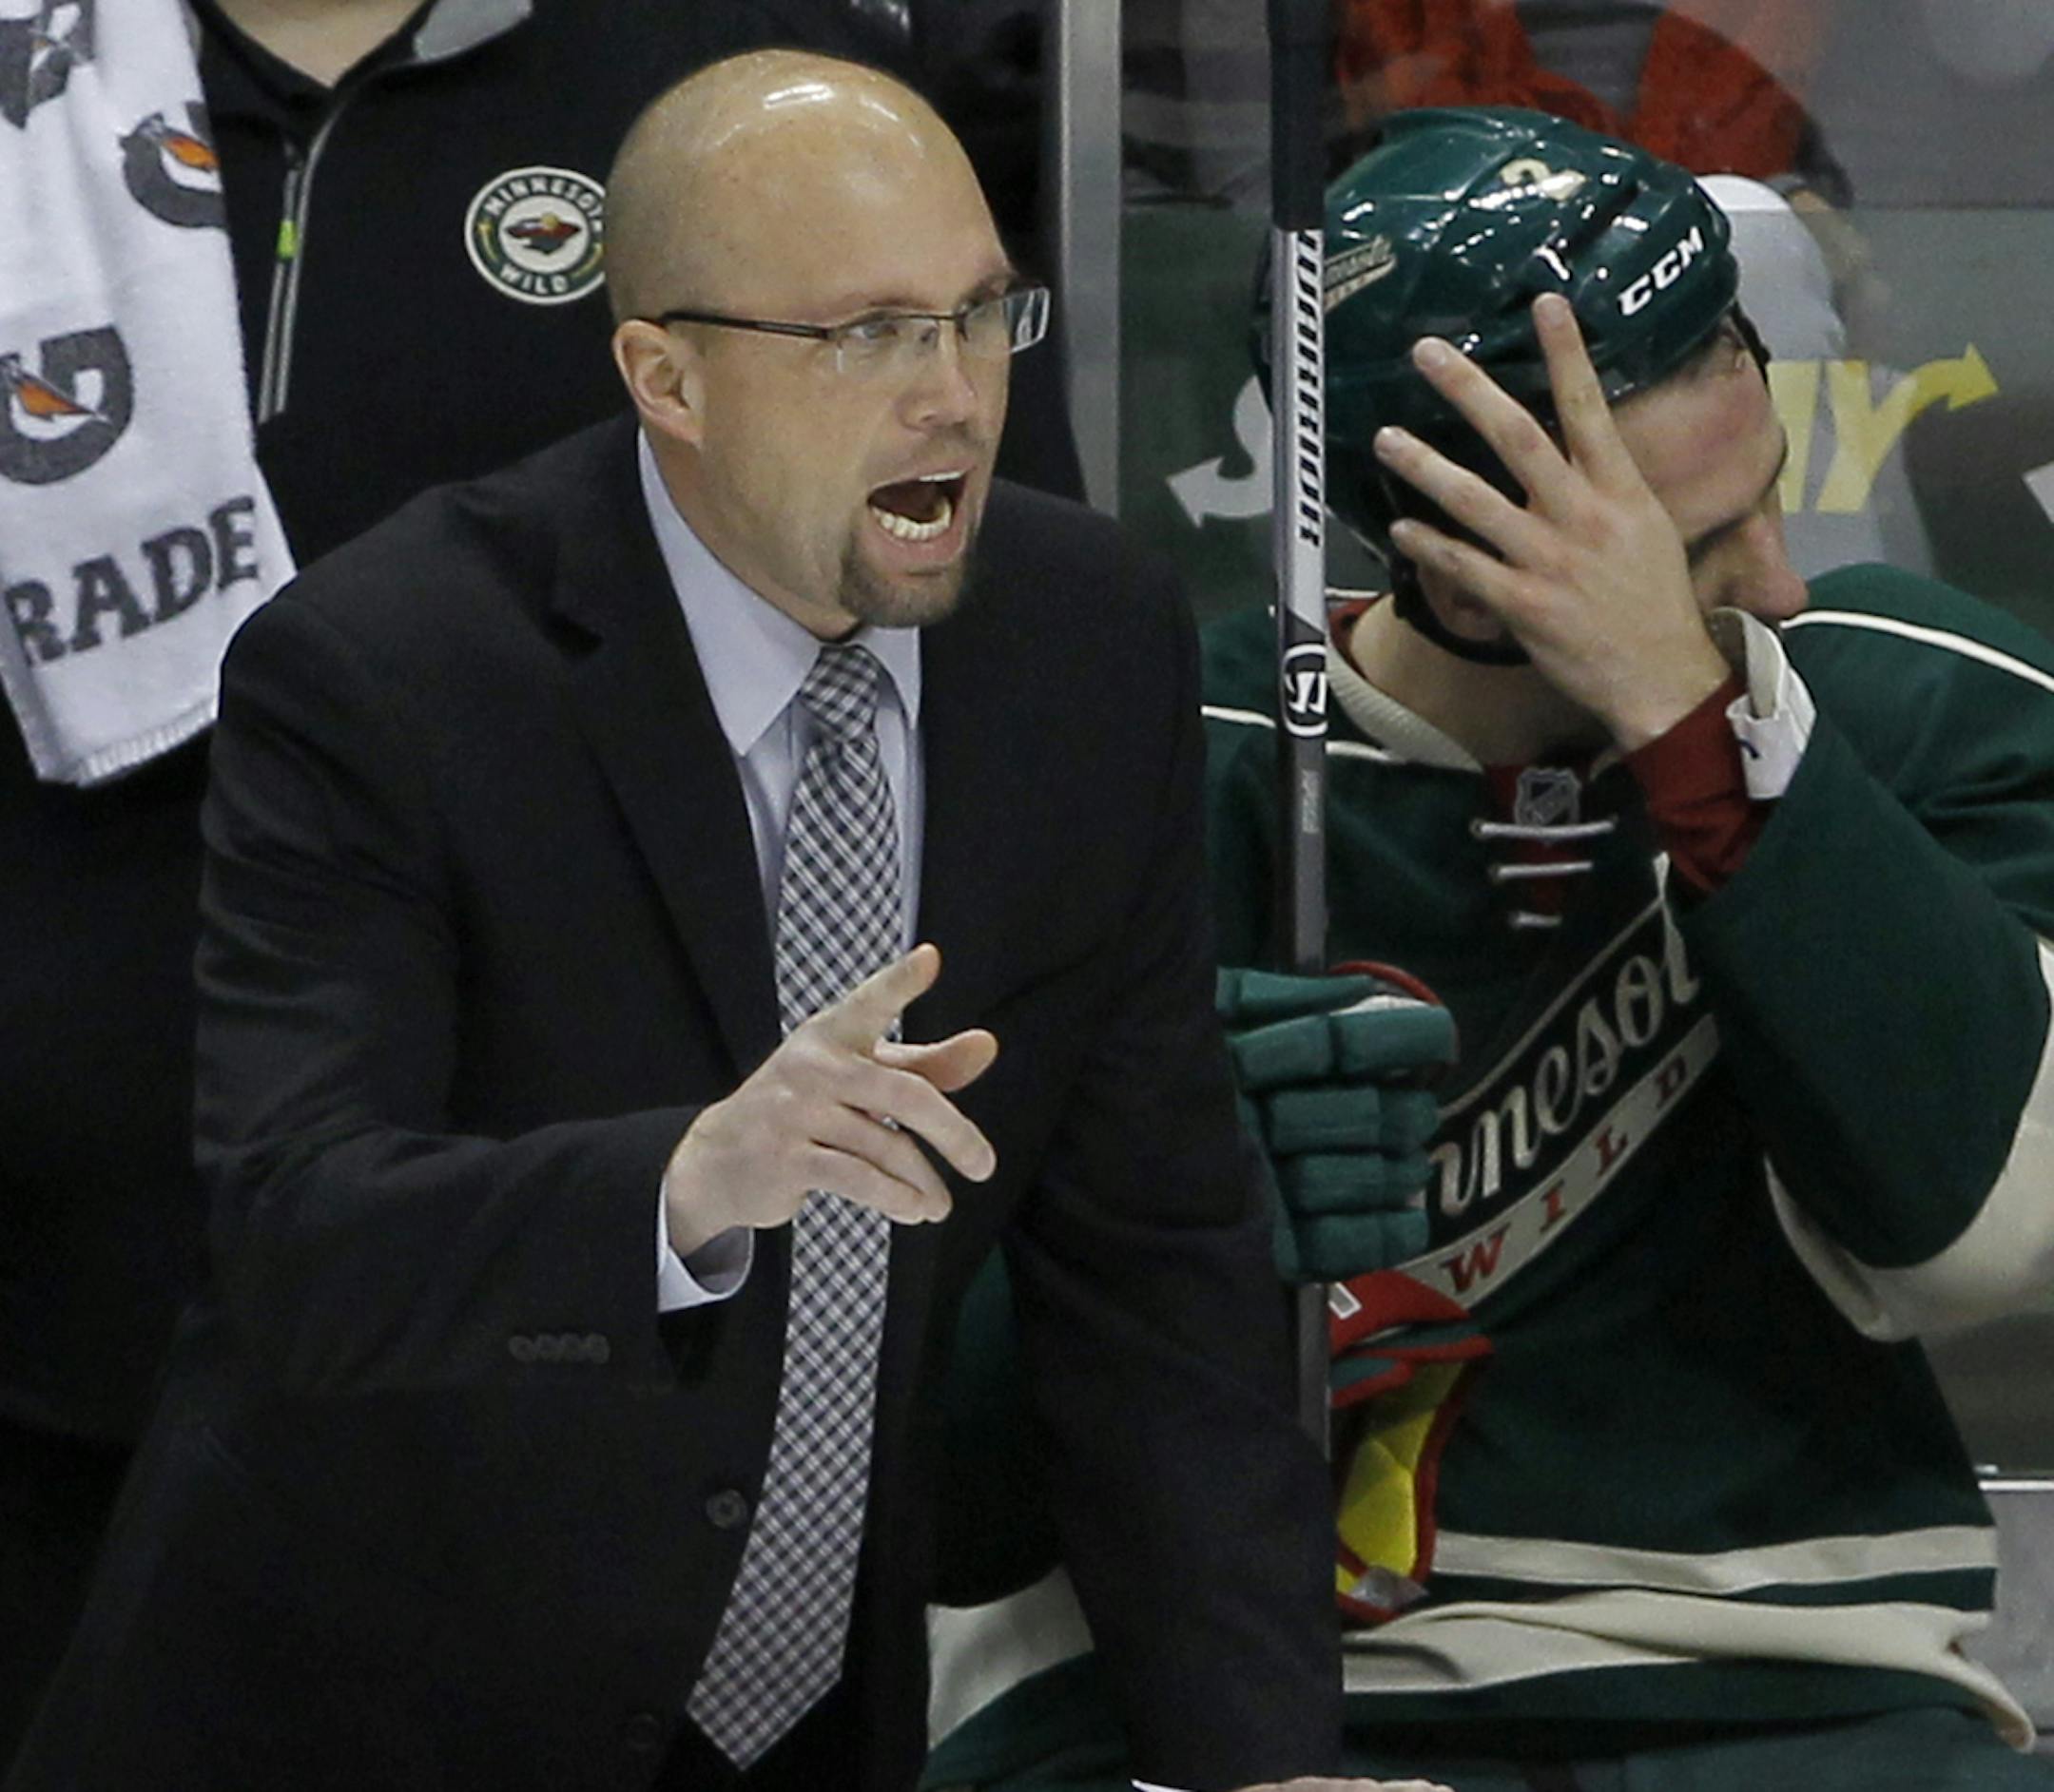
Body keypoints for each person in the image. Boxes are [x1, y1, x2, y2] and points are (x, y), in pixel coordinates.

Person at [0, 48, 1443, 1792]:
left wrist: (1259, 1762)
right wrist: (688, 1181)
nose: (957, 397)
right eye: (867, 335)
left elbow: (1151, 1272)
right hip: (363, 1704)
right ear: (663, 373)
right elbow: (302, 1236)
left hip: (812, 1718)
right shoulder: (389, 674)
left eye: (984, 317)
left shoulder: (1085, 644)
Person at [920, 107, 2054, 1791]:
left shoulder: (1918, 697)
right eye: (1689, 553)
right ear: (1448, 557)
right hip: (1202, 1697)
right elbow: (942, 1502)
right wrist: (1164, 1218)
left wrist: (1689, 710)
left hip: (1800, 1697)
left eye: (1766, 509)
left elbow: (1976, 1242)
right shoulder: (1140, 759)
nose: (1780, 589)